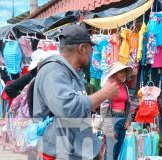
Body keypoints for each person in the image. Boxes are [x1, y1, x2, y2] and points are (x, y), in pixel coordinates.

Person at [32, 24, 119, 160]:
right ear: (82, 48)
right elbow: (67, 107)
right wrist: (104, 94)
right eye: (91, 49)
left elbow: (78, 115)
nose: (91, 54)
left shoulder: (71, 73)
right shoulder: (53, 71)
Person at [100, 62, 133, 160]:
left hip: (123, 120)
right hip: (112, 119)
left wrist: (128, 119)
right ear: (114, 74)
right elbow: (104, 106)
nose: (123, 74)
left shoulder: (125, 87)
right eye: (120, 72)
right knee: (110, 152)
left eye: (124, 72)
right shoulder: (109, 86)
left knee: (118, 150)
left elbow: (128, 104)